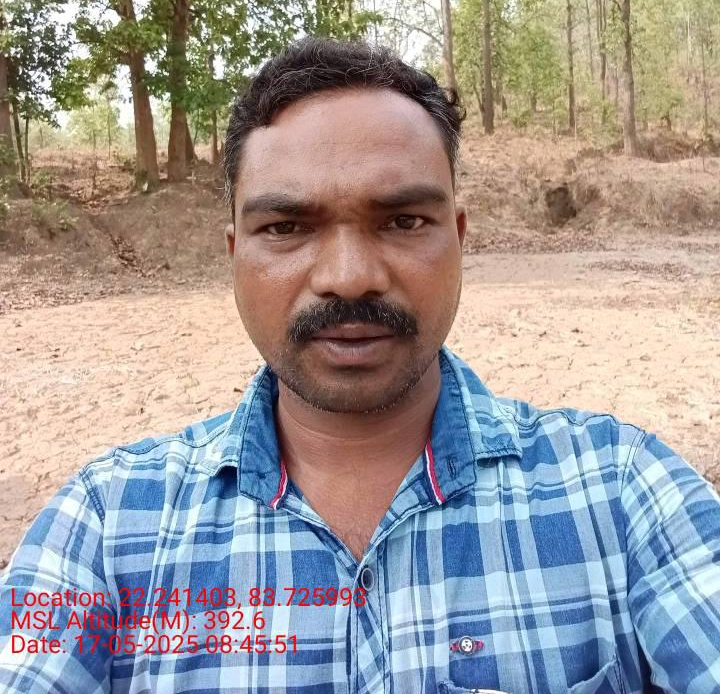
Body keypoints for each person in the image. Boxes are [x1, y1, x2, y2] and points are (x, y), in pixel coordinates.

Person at [1, 36, 719, 694]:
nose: (348, 277)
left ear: (458, 238)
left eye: (403, 221)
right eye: (287, 227)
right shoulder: (106, 527)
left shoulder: (624, 493)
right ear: (235, 254)